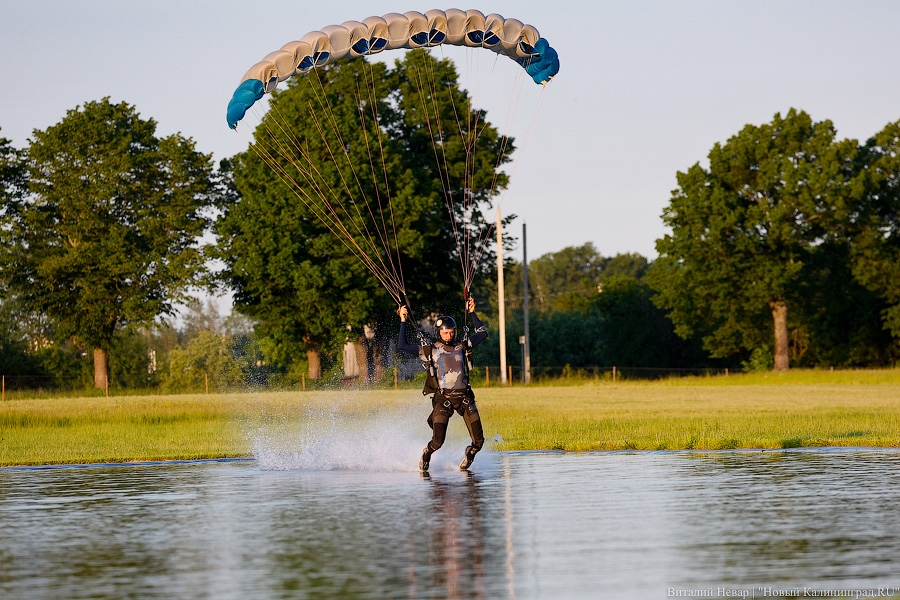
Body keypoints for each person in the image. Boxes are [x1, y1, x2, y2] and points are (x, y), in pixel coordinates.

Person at [398, 296, 488, 471]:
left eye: (452, 332)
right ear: (439, 333)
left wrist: (472, 313)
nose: (450, 335)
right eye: (446, 332)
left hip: (465, 398)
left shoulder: (463, 346)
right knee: (438, 441)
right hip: (443, 399)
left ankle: (470, 454)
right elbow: (402, 345)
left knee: (479, 441)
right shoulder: (430, 350)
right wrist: (403, 320)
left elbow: (482, 333)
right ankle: (426, 454)